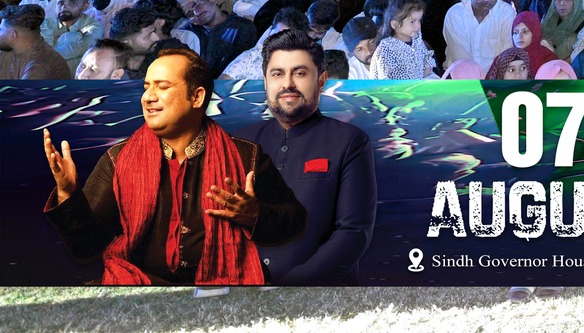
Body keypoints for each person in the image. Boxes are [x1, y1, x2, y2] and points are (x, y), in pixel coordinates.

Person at [43, 45, 305, 285]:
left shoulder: (245, 156)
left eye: (162, 87)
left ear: (197, 97)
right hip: (138, 283)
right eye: (147, 86)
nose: (148, 97)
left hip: (225, 284)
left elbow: (294, 221)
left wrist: (255, 215)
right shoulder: (118, 159)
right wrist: (68, 193)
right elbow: (86, 248)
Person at [249, 31, 377, 283]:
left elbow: (353, 232)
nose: (287, 84)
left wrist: (291, 286)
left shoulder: (349, 141)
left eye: (299, 73)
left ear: (321, 80)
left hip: (320, 295)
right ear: (265, 81)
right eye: (277, 74)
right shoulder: (240, 142)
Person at [442, 0, 515, 71]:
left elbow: (507, 55)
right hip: (460, 75)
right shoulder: (456, 14)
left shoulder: (506, 12)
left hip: (495, 76)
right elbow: (461, 59)